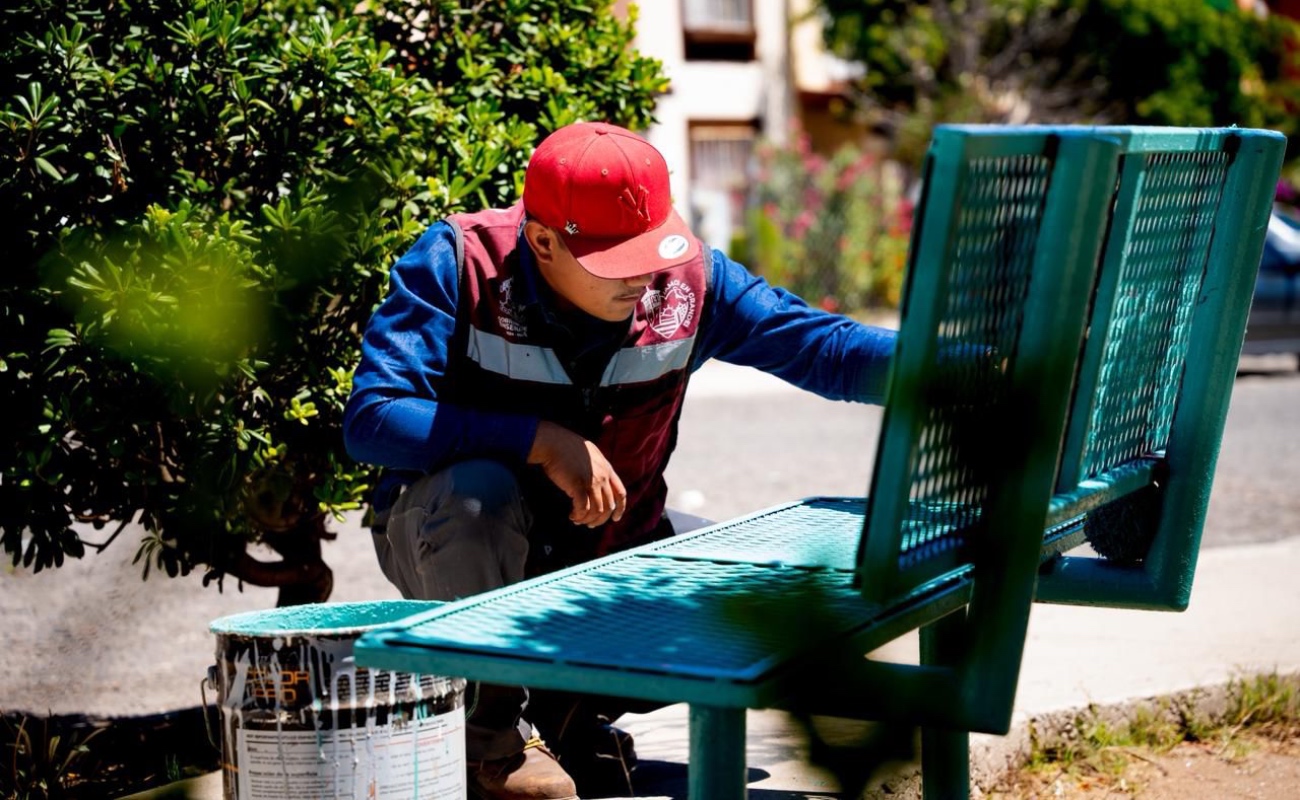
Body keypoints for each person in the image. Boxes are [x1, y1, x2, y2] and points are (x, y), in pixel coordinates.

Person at [343, 121, 898, 799]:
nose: (643, 274)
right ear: (542, 241)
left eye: (651, 247)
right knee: (476, 496)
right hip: (456, 537)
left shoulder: (690, 283)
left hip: (611, 542)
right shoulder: (459, 263)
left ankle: (563, 714)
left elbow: (823, 347)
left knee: (753, 604)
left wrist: (970, 369)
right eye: (615, 259)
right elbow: (373, 418)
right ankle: (489, 749)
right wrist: (539, 440)